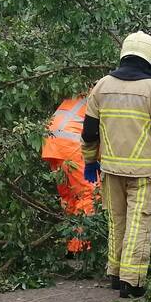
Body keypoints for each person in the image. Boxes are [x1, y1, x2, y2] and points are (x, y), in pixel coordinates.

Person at [81, 31, 151, 298]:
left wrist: (90, 161)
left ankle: (115, 275)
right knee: (139, 224)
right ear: (150, 57)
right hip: (145, 172)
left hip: (111, 170)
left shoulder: (102, 86)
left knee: (117, 222)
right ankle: (132, 282)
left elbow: (89, 132)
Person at [40, 95, 97, 254]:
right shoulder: (102, 96)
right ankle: (82, 251)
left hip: (52, 145)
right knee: (90, 195)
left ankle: (72, 249)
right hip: (71, 144)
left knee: (70, 197)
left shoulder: (82, 94)